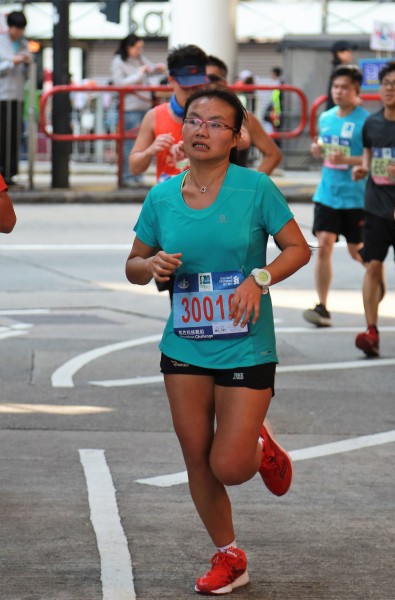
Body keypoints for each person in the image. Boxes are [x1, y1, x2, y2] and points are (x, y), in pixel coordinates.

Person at [125, 87, 311, 595]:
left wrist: (260, 279)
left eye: (215, 123)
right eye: (193, 120)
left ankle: (258, 444)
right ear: (181, 128)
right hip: (184, 345)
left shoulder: (256, 189)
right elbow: (133, 266)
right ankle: (229, 555)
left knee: (227, 466)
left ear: (236, 137)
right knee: (197, 459)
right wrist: (151, 264)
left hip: (246, 343)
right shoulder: (162, 196)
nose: (201, 130)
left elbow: (298, 249)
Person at [303, 65, 369, 327]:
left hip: (356, 197)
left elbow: (372, 158)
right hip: (328, 193)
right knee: (324, 245)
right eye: (335, 87)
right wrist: (318, 149)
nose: (338, 92)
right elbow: (325, 146)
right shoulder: (326, 117)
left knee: (357, 252)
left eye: (344, 87)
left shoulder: (367, 121)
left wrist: (349, 160)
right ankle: (322, 307)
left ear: (356, 90)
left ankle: (375, 276)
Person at [352, 61, 395, 357]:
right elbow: (368, 158)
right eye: (385, 83)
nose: (389, 89)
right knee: (372, 265)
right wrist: (362, 169)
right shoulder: (371, 123)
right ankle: (371, 330)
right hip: (375, 206)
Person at [129, 44, 209, 184]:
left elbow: (242, 144)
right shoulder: (155, 116)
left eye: (197, 87)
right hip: (168, 196)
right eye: (186, 87)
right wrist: (150, 150)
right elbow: (134, 168)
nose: (192, 93)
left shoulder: (216, 116)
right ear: (171, 80)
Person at [206, 55, 282, 175]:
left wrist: (251, 184)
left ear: (223, 83)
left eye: (212, 78)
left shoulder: (244, 118)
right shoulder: (185, 116)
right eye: (200, 79)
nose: (205, 83)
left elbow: (273, 155)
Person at [111, 34, 166, 187]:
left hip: (144, 108)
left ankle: (137, 176)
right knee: (129, 145)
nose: (139, 50)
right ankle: (127, 177)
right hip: (130, 109)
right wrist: (139, 73)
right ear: (128, 47)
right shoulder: (118, 61)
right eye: (136, 47)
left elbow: (150, 69)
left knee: (142, 145)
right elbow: (119, 84)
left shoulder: (140, 59)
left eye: (141, 48)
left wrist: (158, 69)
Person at [0, 11, 31, 186]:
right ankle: (1, 174)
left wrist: (26, 62)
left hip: (17, 97)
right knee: (2, 136)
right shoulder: (1, 42)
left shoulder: (24, 44)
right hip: (2, 96)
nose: (18, 32)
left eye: (21, 28)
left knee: (14, 135)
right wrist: (12, 62)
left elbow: (29, 70)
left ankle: (11, 173)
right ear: (9, 27)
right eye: (16, 28)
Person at [326, 40, 357, 110]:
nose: (350, 55)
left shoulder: (339, 69)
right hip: (337, 110)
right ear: (339, 53)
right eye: (348, 52)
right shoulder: (339, 71)